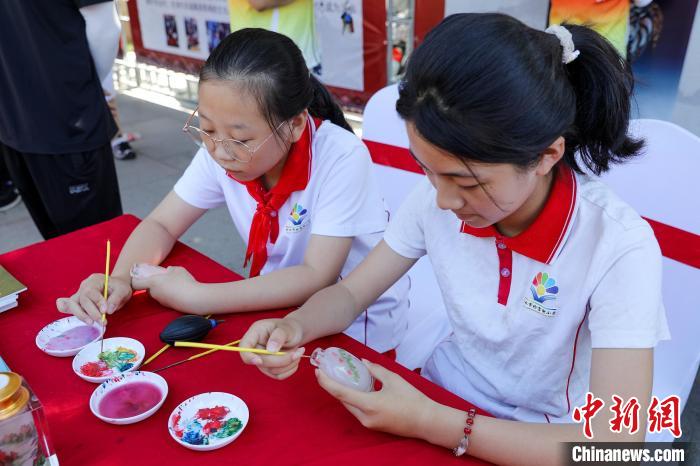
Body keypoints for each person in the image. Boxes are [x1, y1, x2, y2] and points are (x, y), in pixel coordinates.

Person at [238, 14, 669, 464]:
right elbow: (350, 293)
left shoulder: (618, 247)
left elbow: (613, 443)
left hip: (543, 437)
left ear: (546, 156)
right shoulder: (435, 201)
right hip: (439, 395)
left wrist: (431, 421)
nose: (443, 199)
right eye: (427, 169)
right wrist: (296, 326)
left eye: (466, 182)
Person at [56, 29, 408, 356]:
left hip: (351, 326)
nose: (220, 151)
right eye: (206, 128)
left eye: (241, 139)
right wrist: (118, 278)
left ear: (296, 124)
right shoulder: (221, 149)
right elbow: (162, 223)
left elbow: (318, 274)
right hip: (273, 305)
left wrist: (198, 297)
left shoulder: (341, 156)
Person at [0, 0, 123, 239]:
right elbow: (105, 26)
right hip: (54, 119)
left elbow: (104, 25)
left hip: (36, 119)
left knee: (87, 247)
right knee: (89, 248)